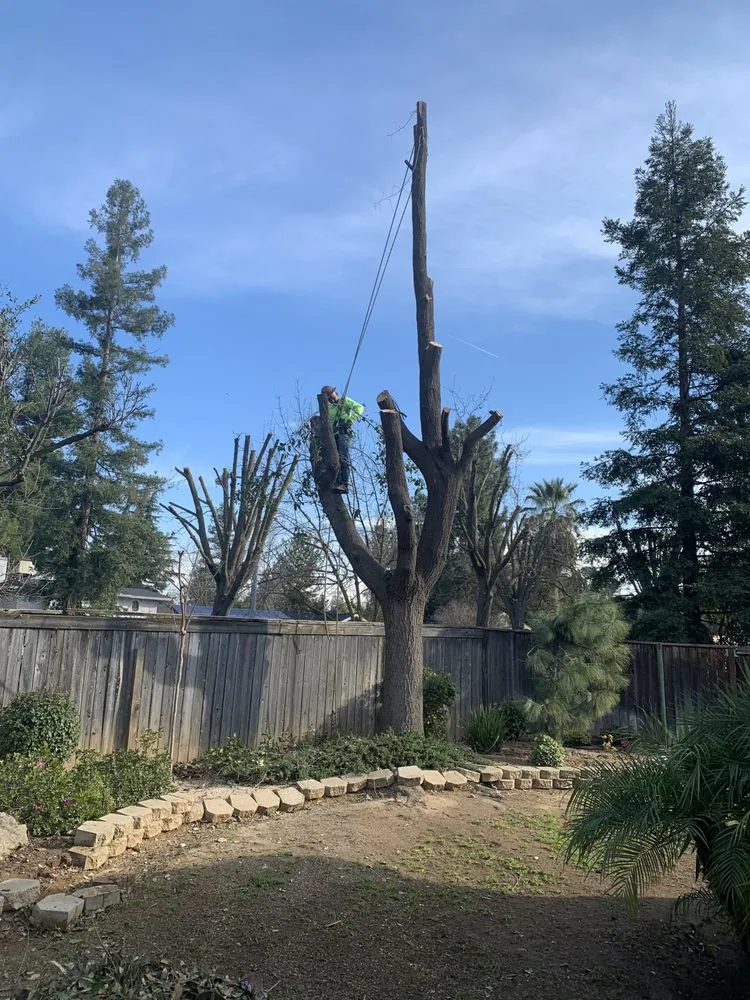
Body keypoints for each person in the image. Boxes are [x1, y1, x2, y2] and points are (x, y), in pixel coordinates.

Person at [321, 385, 365, 494]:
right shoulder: (329, 409)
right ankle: (336, 481)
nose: (331, 400)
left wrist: (350, 419)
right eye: (329, 399)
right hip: (333, 434)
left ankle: (344, 483)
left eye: (332, 397)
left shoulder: (344, 401)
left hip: (344, 432)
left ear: (335, 393)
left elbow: (359, 407)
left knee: (343, 456)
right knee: (333, 458)